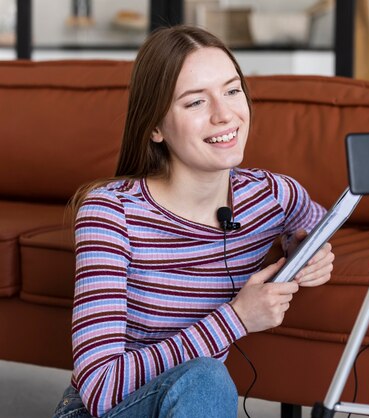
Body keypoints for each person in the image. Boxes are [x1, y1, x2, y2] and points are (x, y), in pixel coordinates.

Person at [53, 25, 333, 418]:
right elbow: (100, 387)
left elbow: (318, 226)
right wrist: (235, 318)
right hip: (101, 412)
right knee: (207, 378)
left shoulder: (273, 195)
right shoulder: (110, 213)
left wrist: (306, 248)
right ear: (154, 127)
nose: (224, 115)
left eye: (232, 91)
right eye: (195, 102)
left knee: (205, 382)